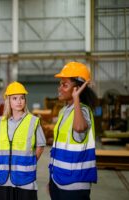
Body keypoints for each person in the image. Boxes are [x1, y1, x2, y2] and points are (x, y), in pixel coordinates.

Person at [49, 61, 98, 200]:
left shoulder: (83, 110)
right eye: (60, 84)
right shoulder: (64, 111)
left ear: (78, 88)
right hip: (58, 179)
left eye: (64, 85)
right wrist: (51, 180)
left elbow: (79, 127)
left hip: (75, 184)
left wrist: (76, 98)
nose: (59, 88)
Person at [0, 81, 46, 200]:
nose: (19, 101)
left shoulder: (33, 121)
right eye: (15, 98)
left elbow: (41, 145)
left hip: (25, 179)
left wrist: (30, 161)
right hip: (3, 179)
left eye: (22, 98)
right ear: (8, 101)